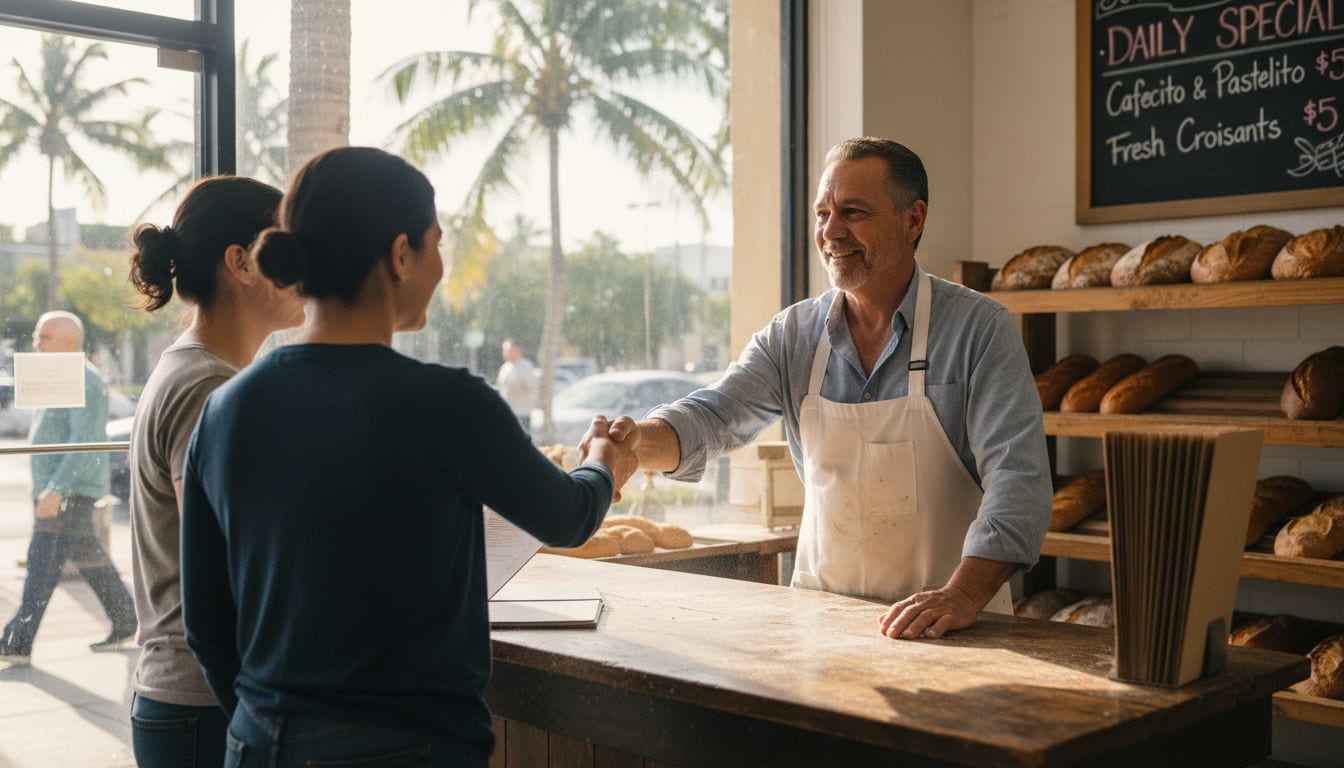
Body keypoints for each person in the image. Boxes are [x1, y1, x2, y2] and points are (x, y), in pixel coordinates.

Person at [179, 147, 636, 767]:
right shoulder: (447, 403)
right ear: (401, 254)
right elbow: (568, 517)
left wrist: (266, 720)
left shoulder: (226, 409)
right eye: (437, 242)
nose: (442, 264)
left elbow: (206, 622)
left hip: (259, 742)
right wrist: (604, 461)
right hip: (407, 747)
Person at [583, 137, 1052, 641]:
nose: (830, 231)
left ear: (913, 220)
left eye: (852, 212)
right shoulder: (794, 336)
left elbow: (1018, 479)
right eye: (822, 213)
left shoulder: (978, 330)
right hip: (824, 626)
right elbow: (716, 416)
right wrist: (635, 443)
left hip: (955, 631)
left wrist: (962, 596)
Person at [125, 175, 303, 768]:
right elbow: (235, 558)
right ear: (241, 262)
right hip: (203, 705)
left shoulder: (204, 373)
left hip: (191, 701)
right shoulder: (208, 385)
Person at [0, 311, 136, 666]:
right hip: (57, 489)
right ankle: (126, 620)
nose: (36, 344)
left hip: (68, 490)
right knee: (91, 560)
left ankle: (15, 643)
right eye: (37, 336)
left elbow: (85, 439)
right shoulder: (55, 378)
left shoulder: (84, 379)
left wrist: (56, 488)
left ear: (70, 342)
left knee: (40, 565)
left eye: (45, 337)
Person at [495, 339, 537, 431]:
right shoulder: (505, 368)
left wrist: (516, 386)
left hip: (521, 413)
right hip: (506, 412)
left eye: (509, 350)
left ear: (518, 350)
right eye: (505, 350)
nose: (506, 353)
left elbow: (530, 387)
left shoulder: (526, 367)